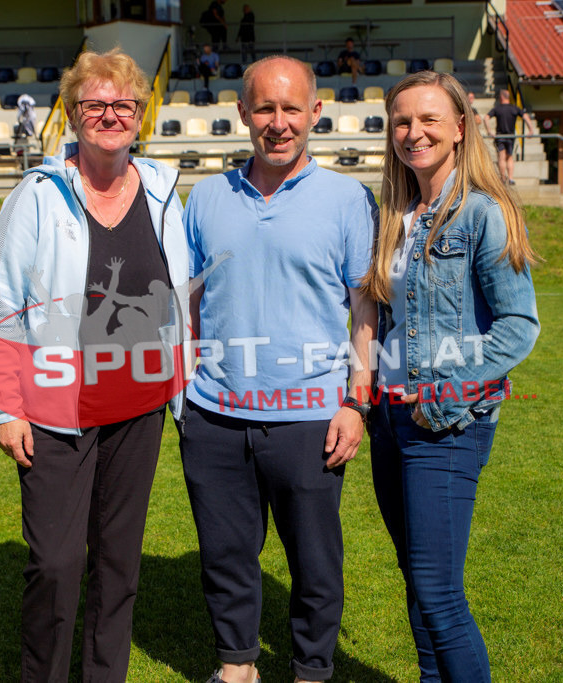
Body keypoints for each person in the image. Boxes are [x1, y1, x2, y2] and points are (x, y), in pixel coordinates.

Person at [0, 48, 190, 682]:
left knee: (120, 563)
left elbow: (180, 293)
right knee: (56, 562)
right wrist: (5, 407)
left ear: (139, 114)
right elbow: (0, 310)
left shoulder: (162, 192)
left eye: (123, 104)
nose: (110, 115)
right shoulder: (38, 196)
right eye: (94, 104)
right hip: (53, 411)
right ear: (72, 114)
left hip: (140, 408)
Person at [179, 55, 377, 683]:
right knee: (226, 555)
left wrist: (356, 402)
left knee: (315, 561)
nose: (278, 122)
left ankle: (312, 669)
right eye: (265, 107)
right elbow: (187, 304)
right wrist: (185, 394)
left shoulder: (348, 199)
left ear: (315, 112)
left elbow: (365, 310)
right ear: (243, 112)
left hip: (310, 418)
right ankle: (237, 666)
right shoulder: (205, 197)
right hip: (215, 416)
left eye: (292, 108)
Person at [363, 70, 539, 683]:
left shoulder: (482, 214)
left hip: (445, 424)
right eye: (403, 121)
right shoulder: (393, 215)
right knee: (418, 587)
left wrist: (445, 393)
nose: (415, 133)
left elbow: (519, 324)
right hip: (389, 420)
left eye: (429, 119)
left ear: (460, 128)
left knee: (439, 594)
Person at [484, 89, 534, 185]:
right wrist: (531, 130)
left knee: (502, 157)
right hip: (510, 137)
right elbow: (526, 117)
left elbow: (486, 117)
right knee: (509, 157)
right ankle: (510, 178)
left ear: (501, 97)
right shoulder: (514, 108)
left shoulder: (497, 108)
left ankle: (503, 178)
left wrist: (489, 131)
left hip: (500, 136)